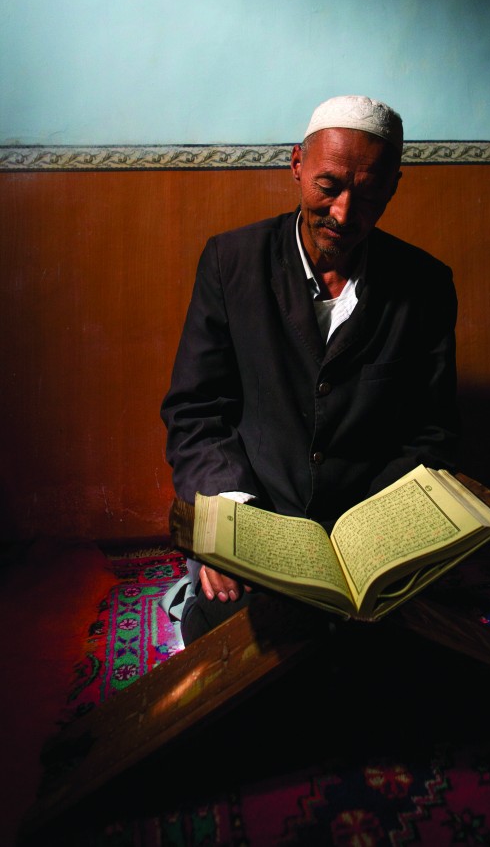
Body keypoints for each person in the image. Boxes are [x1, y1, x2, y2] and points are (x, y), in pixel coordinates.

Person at [161, 95, 462, 644]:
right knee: (241, 638)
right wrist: (233, 529)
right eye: (329, 187)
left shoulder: (425, 285)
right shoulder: (231, 263)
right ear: (297, 164)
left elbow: (431, 432)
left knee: (403, 639)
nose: (345, 213)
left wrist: (380, 537)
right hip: (256, 514)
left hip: (367, 529)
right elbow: (197, 411)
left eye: (370, 194)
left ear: (394, 185)